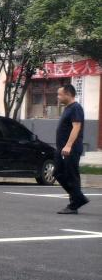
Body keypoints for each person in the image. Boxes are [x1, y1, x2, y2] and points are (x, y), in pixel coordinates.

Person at [55, 82, 89, 214]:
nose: (58, 97)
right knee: (58, 173)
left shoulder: (76, 108)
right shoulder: (68, 108)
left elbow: (76, 127)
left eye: (60, 94)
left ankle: (74, 204)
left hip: (71, 148)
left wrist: (68, 145)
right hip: (62, 148)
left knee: (71, 175)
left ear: (68, 94)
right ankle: (78, 198)